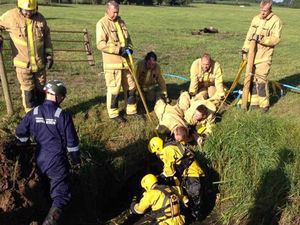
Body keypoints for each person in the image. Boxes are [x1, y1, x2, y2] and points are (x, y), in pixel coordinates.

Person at [15, 80, 81, 225]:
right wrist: (76, 161)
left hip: (40, 159)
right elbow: (72, 144)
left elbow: (20, 133)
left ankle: (44, 215)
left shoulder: (34, 112)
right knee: (61, 196)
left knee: (46, 190)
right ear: (59, 96)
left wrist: (25, 143)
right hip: (56, 160)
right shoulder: (62, 115)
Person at [0, 0, 53, 113]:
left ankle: (41, 113)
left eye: (31, 10)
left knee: (41, 89)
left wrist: (48, 54)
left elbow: (47, 37)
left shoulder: (40, 19)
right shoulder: (10, 16)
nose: (28, 13)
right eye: (25, 11)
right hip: (23, 65)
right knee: (28, 91)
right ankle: (30, 117)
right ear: (19, 8)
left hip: (40, 64)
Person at [96, 0, 141, 123]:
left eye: (117, 12)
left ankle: (131, 110)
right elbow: (100, 44)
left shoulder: (121, 22)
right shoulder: (102, 23)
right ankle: (114, 113)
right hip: (112, 65)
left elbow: (128, 39)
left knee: (131, 87)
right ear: (108, 10)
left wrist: (129, 49)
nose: (116, 15)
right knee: (114, 89)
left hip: (126, 63)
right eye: (114, 12)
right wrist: (118, 50)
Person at [148, 137, 206, 220]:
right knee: (192, 193)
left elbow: (170, 171)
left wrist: (160, 177)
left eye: (155, 152)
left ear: (158, 148)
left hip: (192, 173)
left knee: (195, 195)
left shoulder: (166, 151)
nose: (156, 154)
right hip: (191, 170)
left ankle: (198, 215)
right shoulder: (170, 145)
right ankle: (194, 211)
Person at [241, 0, 282, 112]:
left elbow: (276, 39)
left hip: (264, 56)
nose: (262, 13)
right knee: (252, 79)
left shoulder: (276, 21)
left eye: (265, 10)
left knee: (261, 80)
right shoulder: (256, 18)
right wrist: (245, 50)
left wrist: (261, 39)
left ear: (270, 9)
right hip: (251, 56)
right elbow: (249, 35)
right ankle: (254, 102)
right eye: (261, 10)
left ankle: (264, 105)